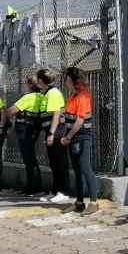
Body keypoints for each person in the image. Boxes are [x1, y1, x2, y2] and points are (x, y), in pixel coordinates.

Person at [58, 69, 99, 212]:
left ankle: (94, 203)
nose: (65, 80)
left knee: (86, 168)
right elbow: (68, 120)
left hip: (82, 137)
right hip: (73, 137)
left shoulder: (82, 97)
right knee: (77, 170)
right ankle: (79, 202)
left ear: (73, 81)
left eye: (67, 78)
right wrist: (66, 136)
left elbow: (80, 121)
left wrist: (67, 137)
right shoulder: (72, 97)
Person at [5, 72, 50, 196]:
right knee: (31, 158)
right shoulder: (42, 96)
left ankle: (33, 187)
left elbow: (11, 111)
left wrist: (4, 117)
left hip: (25, 130)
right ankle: (33, 186)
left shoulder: (28, 97)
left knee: (28, 159)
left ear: (30, 85)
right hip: (34, 129)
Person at [45, 68, 80, 205]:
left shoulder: (54, 93)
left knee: (61, 163)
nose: (65, 81)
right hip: (58, 130)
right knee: (55, 163)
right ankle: (56, 190)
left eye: (66, 78)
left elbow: (56, 113)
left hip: (60, 131)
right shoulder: (66, 95)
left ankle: (64, 192)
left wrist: (52, 133)